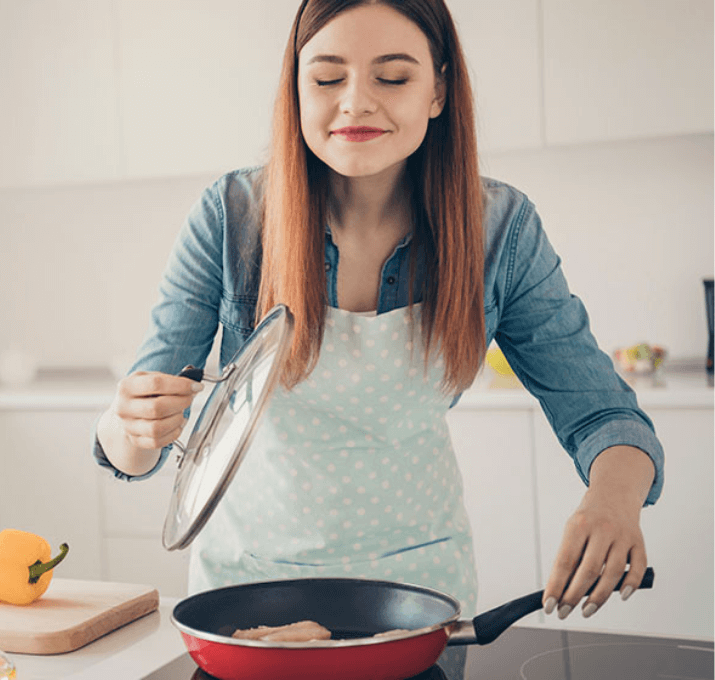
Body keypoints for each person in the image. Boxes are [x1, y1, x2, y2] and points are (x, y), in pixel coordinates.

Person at [92, 0, 664, 674]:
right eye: (327, 78)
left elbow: (601, 412)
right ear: (295, 87)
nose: (355, 103)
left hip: (418, 605)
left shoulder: (498, 229)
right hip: (247, 601)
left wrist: (614, 497)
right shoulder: (232, 217)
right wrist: (129, 428)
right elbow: (137, 444)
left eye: (392, 77)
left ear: (438, 89)